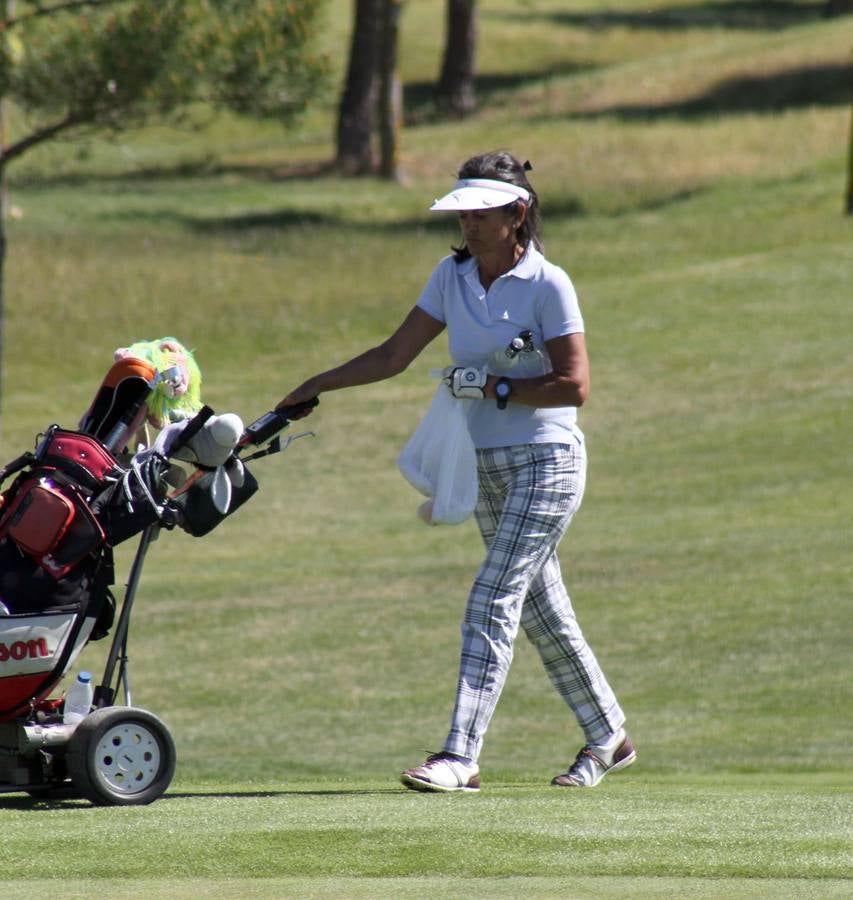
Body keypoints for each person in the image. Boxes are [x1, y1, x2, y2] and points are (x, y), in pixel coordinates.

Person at [277, 150, 634, 792]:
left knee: (490, 599)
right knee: (541, 612)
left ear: (516, 213)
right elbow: (393, 354)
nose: (467, 222)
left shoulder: (550, 284)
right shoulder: (452, 275)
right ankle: (608, 734)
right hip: (486, 466)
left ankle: (460, 756)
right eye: (462, 211)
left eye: (481, 211)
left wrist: (494, 387)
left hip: (549, 460)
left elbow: (574, 387)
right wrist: (318, 383)